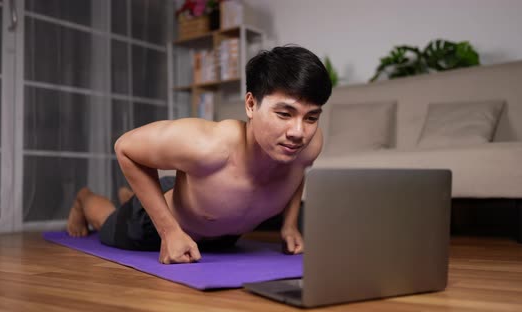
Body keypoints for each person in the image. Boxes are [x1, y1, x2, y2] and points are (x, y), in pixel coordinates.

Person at [66, 45, 333, 264]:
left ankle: (133, 193)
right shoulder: (207, 144)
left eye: (311, 117)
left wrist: (289, 225)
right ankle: (85, 199)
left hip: (215, 219)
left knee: (155, 191)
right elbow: (125, 147)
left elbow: (299, 171)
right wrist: (169, 231)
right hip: (158, 224)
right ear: (251, 104)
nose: (298, 132)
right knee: (107, 221)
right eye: (284, 114)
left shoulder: (307, 145)